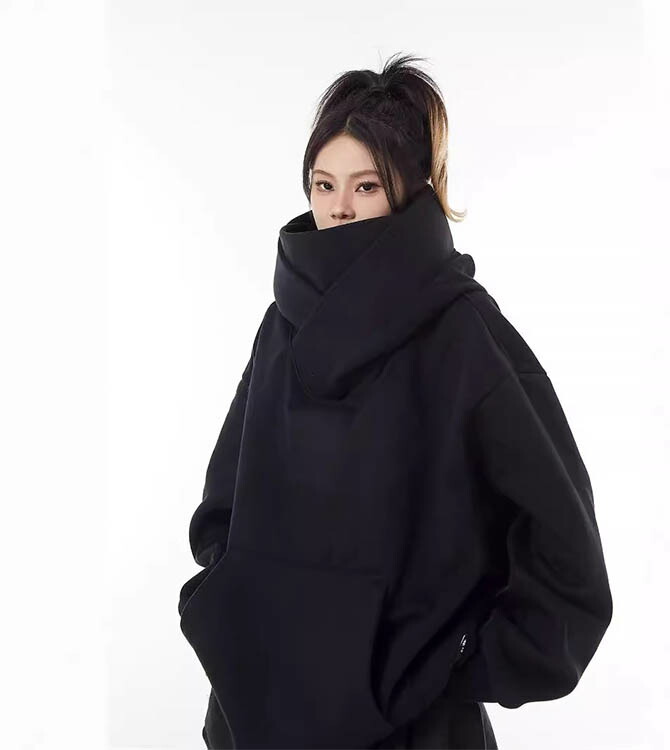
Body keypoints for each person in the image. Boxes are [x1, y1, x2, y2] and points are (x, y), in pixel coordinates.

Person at [177, 52, 613, 750]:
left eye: (366, 185)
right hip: (256, 717)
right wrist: (239, 607)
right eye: (323, 184)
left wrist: (454, 662)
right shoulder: (281, 326)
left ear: (410, 192)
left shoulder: (463, 333)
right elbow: (222, 505)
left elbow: (567, 558)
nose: (338, 208)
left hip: (412, 731)